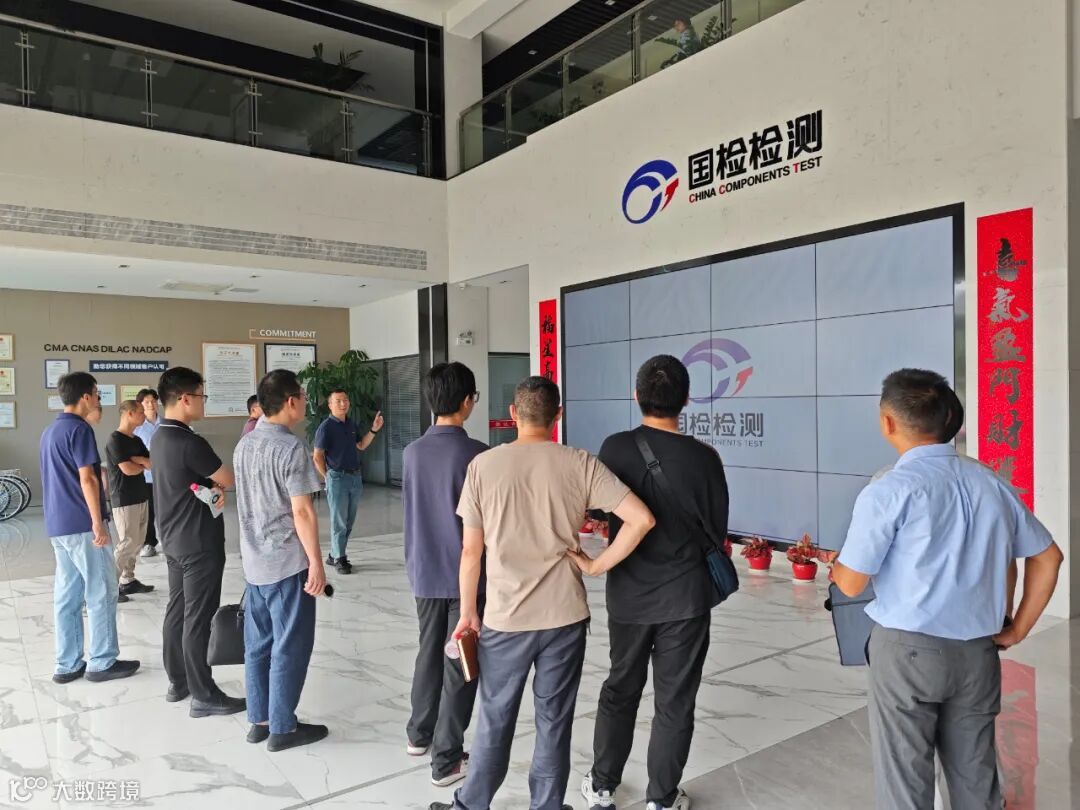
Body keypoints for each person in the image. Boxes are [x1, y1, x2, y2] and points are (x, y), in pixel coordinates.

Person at [832, 369, 1063, 809]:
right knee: (976, 778)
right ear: (950, 421)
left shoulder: (889, 489)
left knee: (905, 782)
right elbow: (1048, 557)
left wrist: (838, 564)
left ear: (887, 422)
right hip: (977, 653)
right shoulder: (990, 482)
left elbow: (852, 580)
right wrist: (1018, 629)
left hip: (907, 654)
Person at [429, 377, 656, 810]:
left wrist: (468, 612)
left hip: (505, 618)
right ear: (558, 416)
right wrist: (596, 565)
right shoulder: (579, 462)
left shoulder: (483, 466)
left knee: (495, 717)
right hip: (564, 618)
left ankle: (471, 804)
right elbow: (641, 519)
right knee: (554, 722)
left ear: (513, 414)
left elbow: (471, 551)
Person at [581, 355, 728, 810]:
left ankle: (602, 786)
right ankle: (661, 799)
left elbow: (600, 512)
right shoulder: (705, 458)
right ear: (686, 400)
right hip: (686, 599)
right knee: (675, 701)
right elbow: (717, 529)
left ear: (637, 396)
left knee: (620, 688)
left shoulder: (616, 448)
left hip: (628, 595)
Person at [403, 362, 488, 787]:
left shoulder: (411, 452)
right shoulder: (478, 455)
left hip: (423, 569)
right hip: (463, 576)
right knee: (461, 664)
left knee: (428, 651)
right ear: (467, 401)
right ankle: (447, 759)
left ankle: (418, 734)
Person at [234, 370, 328, 752]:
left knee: (258, 645)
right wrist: (316, 563)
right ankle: (283, 728)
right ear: (291, 401)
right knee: (290, 645)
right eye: (302, 396)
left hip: (254, 565)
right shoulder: (290, 448)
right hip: (287, 565)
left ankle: (259, 720)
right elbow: (302, 511)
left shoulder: (244, 444)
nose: (305, 402)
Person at [153, 366, 245, 717]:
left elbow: (186, 482)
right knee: (198, 617)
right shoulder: (190, 442)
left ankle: (178, 681)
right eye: (201, 395)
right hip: (199, 543)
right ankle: (204, 694)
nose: (204, 401)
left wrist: (209, 485)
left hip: (173, 538)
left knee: (178, 610)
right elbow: (227, 479)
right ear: (184, 398)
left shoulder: (160, 437)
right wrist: (217, 485)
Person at [40, 372, 140, 684]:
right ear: (85, 396)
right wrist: (98, 523)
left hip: (58, 525)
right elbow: (87, 478)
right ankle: (102, 661)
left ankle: (67, 664)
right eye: (96, 394)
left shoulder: (50, 431)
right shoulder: (79, 429)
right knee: (102, 590)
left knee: (68, 595)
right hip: (83, 524)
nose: (98, 400)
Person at [312, 389, 384, 574]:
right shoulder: (326, 427)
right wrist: (327, 476)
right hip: (337, 478)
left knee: (349, 521)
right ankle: (340, 558)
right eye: (338, 401)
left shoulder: (351, 424)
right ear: (330, 405)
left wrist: (374, 429)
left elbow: (361, 445)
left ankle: (334, 554)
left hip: (355, 477)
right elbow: (317, 456)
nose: (343, 403)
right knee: (339, 521)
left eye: (345, 400)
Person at [105, 400, 155, 602]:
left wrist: (139, 460)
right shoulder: (115, 440)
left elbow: (151, 463)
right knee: (127, 542)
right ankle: (108, 587)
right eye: (141, 412)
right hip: (124, 498)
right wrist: (138, 462)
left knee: (138, 541)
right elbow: (127, 469)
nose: (144, 415)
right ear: (129, 414)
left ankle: (128, 580)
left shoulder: (137, 440)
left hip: (140, 495)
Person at [133, 388, 161, 558]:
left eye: (153, 401)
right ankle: (149, 543)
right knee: (148, 513)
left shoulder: (166, 424)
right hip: (145, 477)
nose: (150, 404)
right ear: (140, 404)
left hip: (165, 476)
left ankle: (170, 540)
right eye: (146, 401)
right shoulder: (136, 427)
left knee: (167, 510)